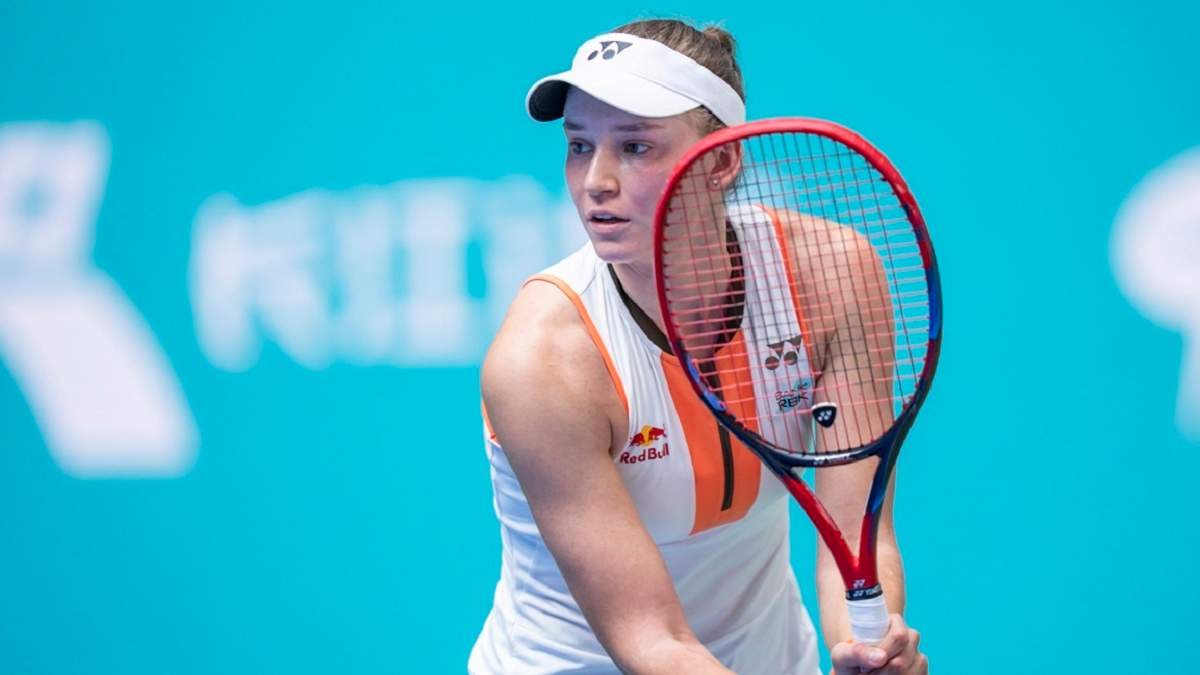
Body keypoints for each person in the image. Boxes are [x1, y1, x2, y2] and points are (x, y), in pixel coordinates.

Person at [470, 18, 928, 675]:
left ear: (721, 162)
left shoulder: (831, 278)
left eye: (635, 146)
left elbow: (858, 537)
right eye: (579, 146)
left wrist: (869, 645)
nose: (596, 180)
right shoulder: (544, 360)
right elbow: (651, 637)